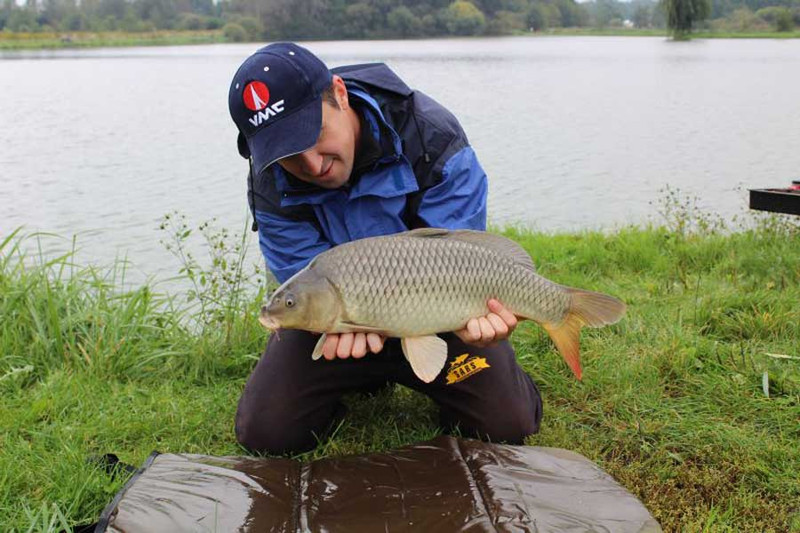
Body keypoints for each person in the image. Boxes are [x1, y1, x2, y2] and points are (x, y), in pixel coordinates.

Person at [228, 42, 542, 455]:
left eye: (315, 134)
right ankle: (363, 380)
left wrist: (482, 318)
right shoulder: (270, 179)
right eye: (288, 153)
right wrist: (330, 321)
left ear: (339, 94)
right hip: (340, 319)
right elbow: (300, 277)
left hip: (441, 308)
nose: (311, 164)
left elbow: (461, 258)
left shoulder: (431, 135)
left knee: (507, 424)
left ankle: (471, 383)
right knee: (267, 434)